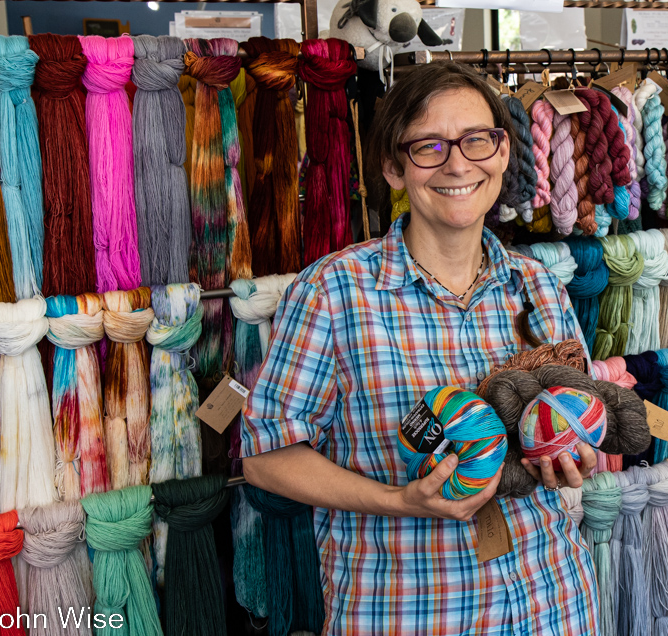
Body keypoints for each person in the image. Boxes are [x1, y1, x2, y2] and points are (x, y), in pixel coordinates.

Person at [241, 61, 601, 635]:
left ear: (504, 153)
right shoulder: (335, 292)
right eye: (429, 146)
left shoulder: (538, 286)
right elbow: (264, 456)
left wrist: (571, 454)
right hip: (410, 611)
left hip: (551, 601)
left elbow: (575, 414)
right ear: (393, 167)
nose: (458, 163)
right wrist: (401, 500)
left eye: (477, 140)